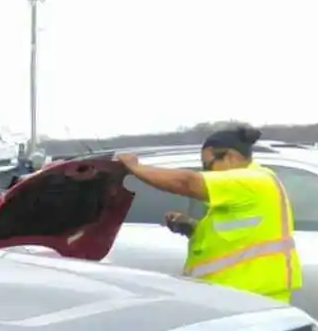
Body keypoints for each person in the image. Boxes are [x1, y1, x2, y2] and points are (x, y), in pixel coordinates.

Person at [116, 123, 300, 303]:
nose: (206, 172)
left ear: (230, 157)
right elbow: (237, 235)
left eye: (207, 165)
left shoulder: (252, 181)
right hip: (240, 296)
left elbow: (186, 182)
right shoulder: (250, 183)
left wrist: (135, 168)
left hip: (251, 297)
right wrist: (193, 228)